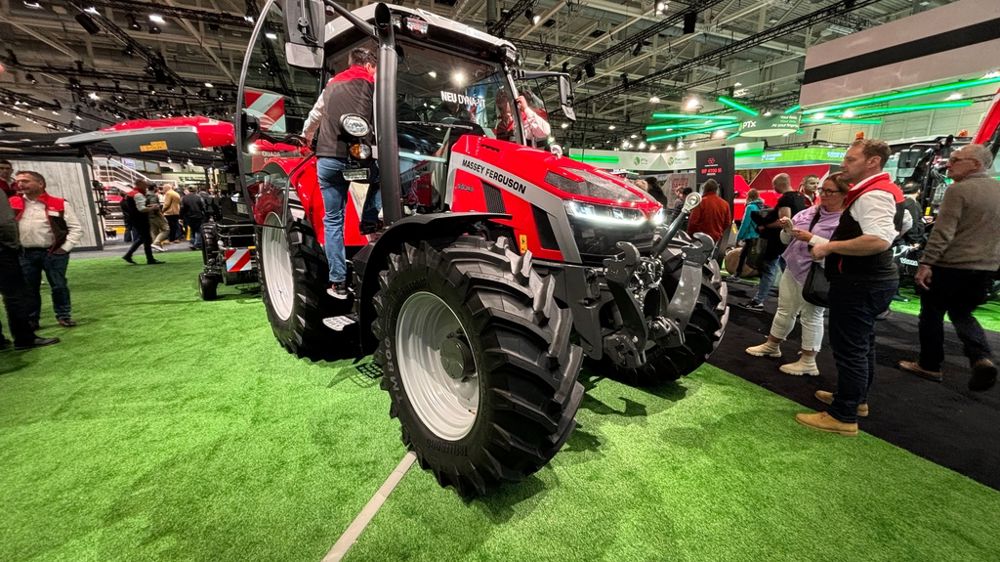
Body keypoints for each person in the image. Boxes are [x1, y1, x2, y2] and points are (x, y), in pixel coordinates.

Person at [797, 139, 904, 436]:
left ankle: (843, 415)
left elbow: (879, 240)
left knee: (851, 348)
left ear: (873, 162)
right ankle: (855, 400)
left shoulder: (873, 195)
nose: (844, 164)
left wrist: (830, 247)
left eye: (851, 159)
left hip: (861, 283)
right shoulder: (879, 192)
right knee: (862, 344)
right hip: (868, 281)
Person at [898, 144, 1000, 392]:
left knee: (932, 313)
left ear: (975, 164)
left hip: (951, 264)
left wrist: (926, 262)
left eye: (955, 159)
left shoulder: (959, 191)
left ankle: (929, 364)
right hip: (986, 267)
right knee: (962, 312)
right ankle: (981, 356)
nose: (948, 164)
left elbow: (944, 232)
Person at [744, 173, 850, 376]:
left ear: (844, 194)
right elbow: (786, 240)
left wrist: (811, 238)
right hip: (793, 265)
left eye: (829, 191)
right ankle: (772, 345)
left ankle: (809, 361)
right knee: (784, 309)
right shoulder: (810, 212)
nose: (823, 194)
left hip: (818, 273)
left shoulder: (846, 221)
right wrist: (788, 229)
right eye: (821, 189)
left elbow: (841, 250)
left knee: (811, 316)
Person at [303, 46, 380, 300]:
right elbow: (378, 119)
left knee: (333, 221)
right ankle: (369, 218)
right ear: (369, 64)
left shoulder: (332, 84)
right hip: (357, 161)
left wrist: (306, 138)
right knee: (377, 176)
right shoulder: (372, 82)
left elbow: (314, 117)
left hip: (328, 161)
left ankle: (337, 282)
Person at [9, 170, 83, 328]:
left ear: (40, 184)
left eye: (25, 181)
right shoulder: (12, 203)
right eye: (18, 181)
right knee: (29, 289)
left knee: (59, 286)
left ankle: (64, 315)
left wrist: (65, 248)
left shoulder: (59, 203)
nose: (20, 184)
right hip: (25, 253)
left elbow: (75, 228)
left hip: (53, 252)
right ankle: (32, 319)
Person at [0, 189, 59, 350]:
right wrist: (13, 246)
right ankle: (24, 338)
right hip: (3, 252)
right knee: (15, 295)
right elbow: (5, 224)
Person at [741, 173, 809, 312]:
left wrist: (765, 226)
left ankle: (758, 301)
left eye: (774, 185)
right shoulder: (800, 197)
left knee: (769, 270)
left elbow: (784, 222)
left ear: (779, 184)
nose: (773, 188)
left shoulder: (786, 199)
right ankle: (797, 303)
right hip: (791, 241)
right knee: (788, 270)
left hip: (779, 242)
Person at [122, 179, 164, 265]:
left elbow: (137, 206)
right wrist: (153, 208)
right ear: (140, 184)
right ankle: (149, 259)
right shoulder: (138, 195)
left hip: (134, 219)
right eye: (145, 185)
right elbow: (141, 209)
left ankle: (129, 255)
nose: (146, 187)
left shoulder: (131, 194)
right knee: (147, 239)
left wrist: (148, 206)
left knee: (143, 238)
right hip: (141, 219)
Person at [732, 189, 764, 278]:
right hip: (760, 235)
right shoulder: (761, 206)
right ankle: (761, 275)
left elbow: (745, 223)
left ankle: (737, 274)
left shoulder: (750, 207)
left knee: (743, 255)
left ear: (749, 197)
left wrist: (739, 237)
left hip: (751, 236)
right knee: (757, 256)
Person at [148, 185, 169, 252]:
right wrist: (160, 213)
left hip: (148, 216)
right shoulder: (153, 195)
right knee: (166, 229)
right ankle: (156, 243)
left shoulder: (145, 195)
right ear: (154, 188)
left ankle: (158, 248)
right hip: (155, 215)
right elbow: (154, 206)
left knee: (154, 232)